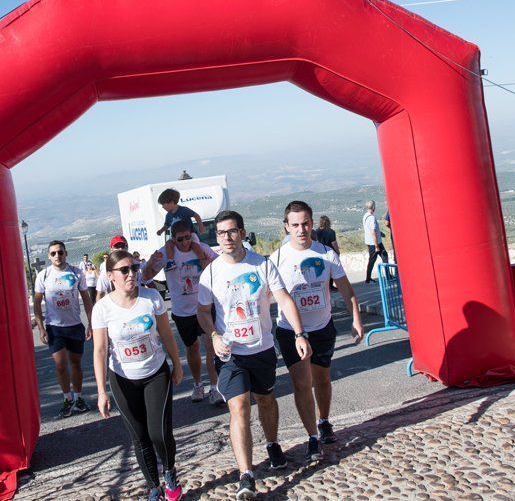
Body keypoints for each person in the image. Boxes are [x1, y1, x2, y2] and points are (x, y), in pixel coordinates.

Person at [197, 210, 312, 499]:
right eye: (221, 233)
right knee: (239, 408)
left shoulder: (261, 264)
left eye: (232, 231)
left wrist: (299, 334)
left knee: (266, 400)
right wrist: (214, 336)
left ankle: (272, 443)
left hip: (261, 349)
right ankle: (246, 474)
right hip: (230, 353)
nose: (226, 238)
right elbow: (202, 312)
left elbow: (284, 299)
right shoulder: (210, 272)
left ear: (242, 232)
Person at [270, 201, 364, 461]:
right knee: (301, 383)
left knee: (322, 378)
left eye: (306, 223)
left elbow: (346, 289)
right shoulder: (277, 259)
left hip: (322, 327)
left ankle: (323, 421)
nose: (301, 230)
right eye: (295, 225)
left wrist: (356, 319)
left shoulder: (326, 254)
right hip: (290, 330)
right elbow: (264, 297)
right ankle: (312, 438)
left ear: (312, 223)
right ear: (286, 227)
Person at [92, 250, 185, 501]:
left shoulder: (151, 297)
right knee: (140, 436)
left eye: (134, 268)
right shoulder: (102, 309)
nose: (131, 273)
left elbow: (166, 334)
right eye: (124, 270)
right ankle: (153, 486)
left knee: (159, 433)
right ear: (111, 276)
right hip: (122, 379)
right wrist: (102, 392)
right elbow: (100, 351)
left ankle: (170, 471)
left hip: (155, 372)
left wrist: (177, 364)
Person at [143, 220, 220, 404]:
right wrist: (150, 264)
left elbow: (221, 266)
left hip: (204, 307)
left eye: (187, 237)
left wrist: (205, 259)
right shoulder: (166, 253)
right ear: (173, 239)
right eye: (180, 239)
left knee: (211, 346)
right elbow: (145, 277)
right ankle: (198, 385)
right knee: (192, 348)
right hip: (182, 312)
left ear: (192, 235)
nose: (185, 242)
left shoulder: (201, 248)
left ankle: (215, 388)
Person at [33, 240, 94, 418]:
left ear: (65, 253)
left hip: (74, 325)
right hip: (55, 327)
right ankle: (67, 399)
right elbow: (37, 303)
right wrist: (41, 328)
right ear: (49, 256)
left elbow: (87, 299)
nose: (57, 256)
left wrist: (91, 323)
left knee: (75, 363)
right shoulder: (43, 276)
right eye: (53, 253)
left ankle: (78, 398)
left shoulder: (76, 273)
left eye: (60, 252)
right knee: (60, 366)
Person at [155, 188, 208, 271]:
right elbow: (167, 225)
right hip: (176, 237)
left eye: (163, 204)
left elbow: (196, 216)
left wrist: (201, 227)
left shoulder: (184, 210)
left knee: (196, 246)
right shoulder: (168, 215)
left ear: (171, 202)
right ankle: (171, 261)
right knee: (168, 244)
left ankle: (203, 261)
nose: (162, 207)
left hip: (190, 234)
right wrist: (161, 231)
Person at [96, 235, 140, 301]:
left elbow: (148, 281)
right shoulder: (105, 270)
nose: (120, 249)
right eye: (117, 247)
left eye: (122, 246)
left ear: (127, 248)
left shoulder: (136, 265)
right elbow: (100, 293)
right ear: (111, 249)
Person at [363, 200, 388, 284]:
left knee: (383, 256)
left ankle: (368, 278)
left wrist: (380, 234)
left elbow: (371, 230)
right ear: (373, 207)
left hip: (371, 242)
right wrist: (377, 246)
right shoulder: (371, 218)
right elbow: (373, 232)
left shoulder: (365, 216)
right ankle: (369, 279)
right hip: (375, 243)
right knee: (374, 259)